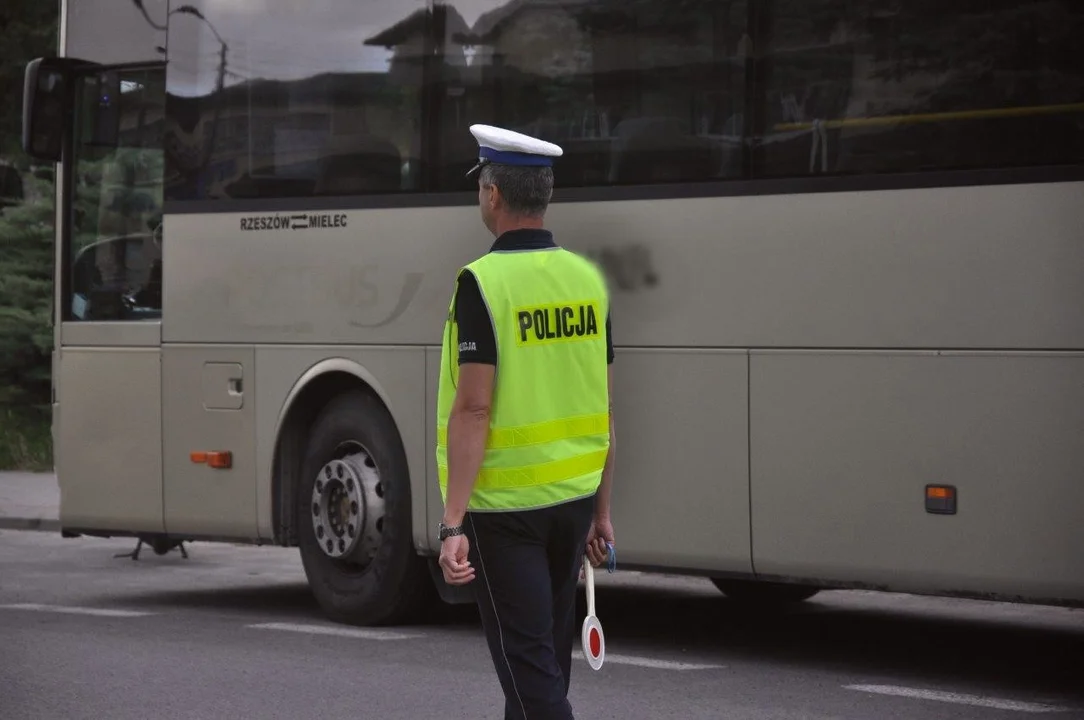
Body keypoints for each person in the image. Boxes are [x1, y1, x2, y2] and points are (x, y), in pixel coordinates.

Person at [435, 124, 618, 720]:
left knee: (533, 681)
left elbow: (474, 408)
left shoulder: (482, 284)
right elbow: (603, 408)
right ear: (545, 195)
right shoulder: (588, 283)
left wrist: (452, 522)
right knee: (541, 675)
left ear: (492, 195)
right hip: (571, 503)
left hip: (505, 513)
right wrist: (601, 512)